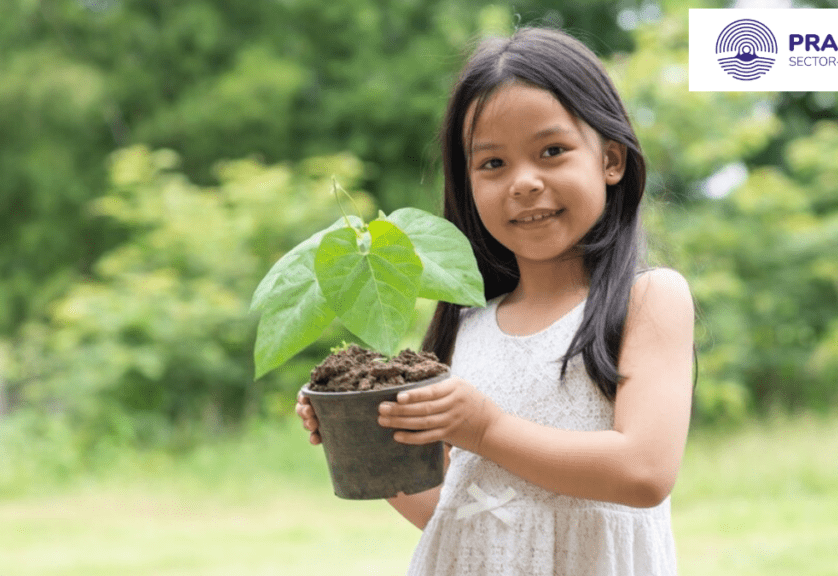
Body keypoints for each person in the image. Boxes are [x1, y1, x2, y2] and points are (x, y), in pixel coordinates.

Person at [296, 26, 694, 576]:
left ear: (612, 160)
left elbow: (644, 471)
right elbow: (457, 510)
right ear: (468, 183)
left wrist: (484, 429)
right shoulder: (468, 322)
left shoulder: (647, 299)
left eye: (551, 151)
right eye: (493, 164)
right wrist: (361, 438)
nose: (523, 182)